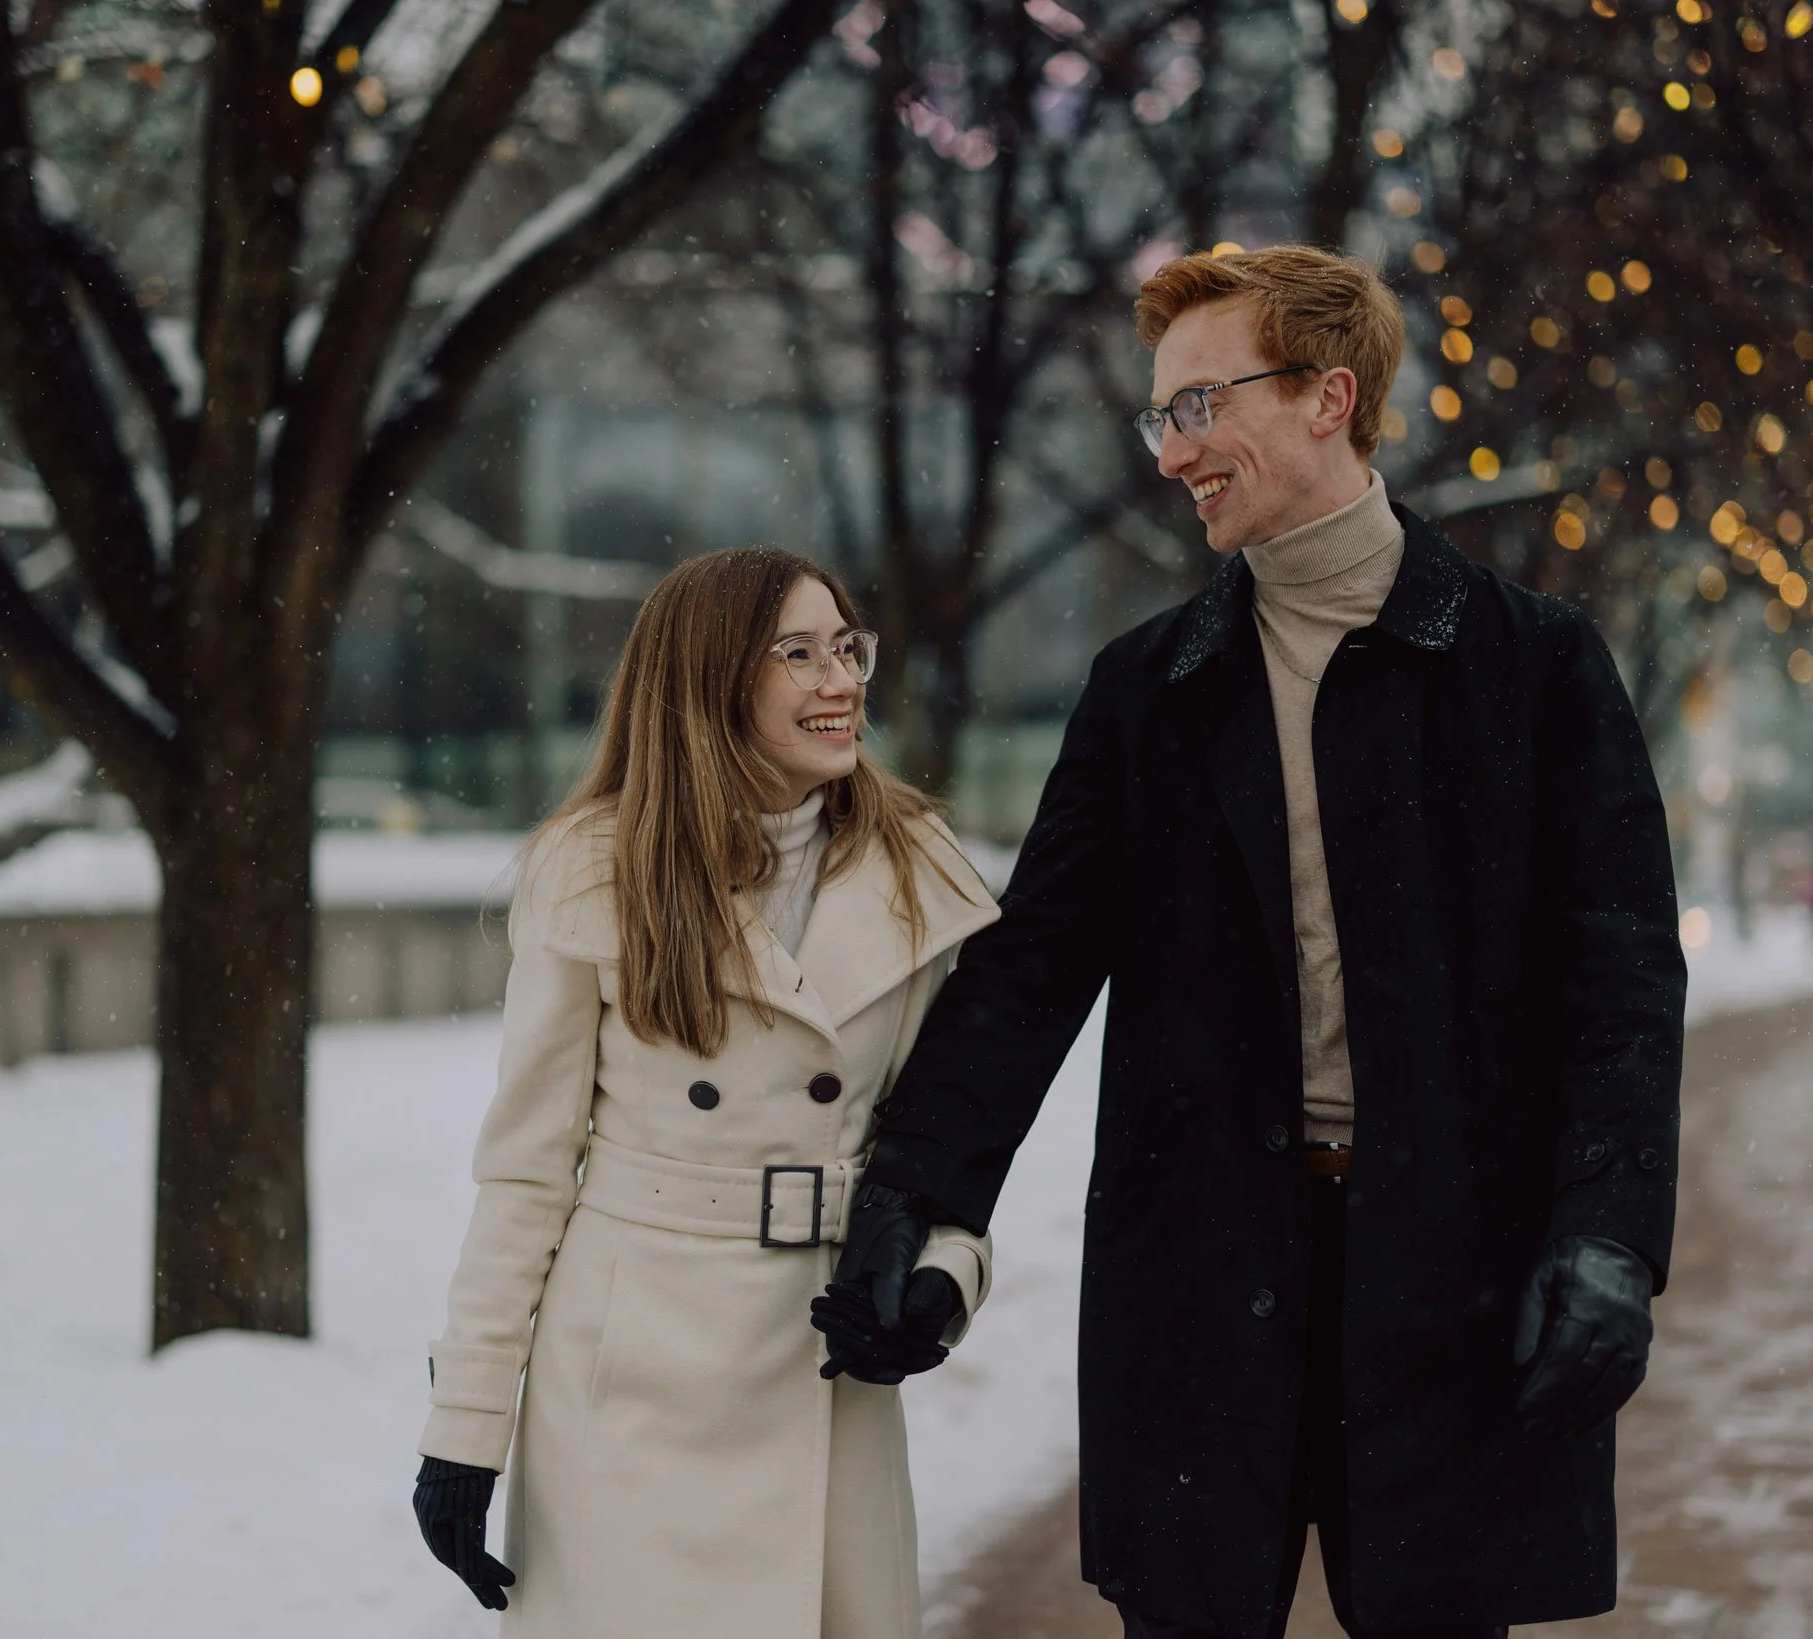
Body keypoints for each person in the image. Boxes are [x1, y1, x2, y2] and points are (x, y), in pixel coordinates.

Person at [815, 247, 1686, 1637]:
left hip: (1455, 1271)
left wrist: (1605, 1235)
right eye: (1161, 417)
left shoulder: (1532, 665)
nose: (1174, 454)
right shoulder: (1146, 691)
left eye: (1199, 406)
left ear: (1328, 397)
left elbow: (1622, 976)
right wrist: (920, 1188)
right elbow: (1032, 962)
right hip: (1199, 1278)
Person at [409, 547, 1001, 1639]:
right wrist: (464, 1427)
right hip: (633, 1374)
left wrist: (944, 1275)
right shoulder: (593, 870)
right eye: (798, 653)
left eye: (846, 647)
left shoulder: (918, 870)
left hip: (824, 1364)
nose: (841, 679)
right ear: (710, 678)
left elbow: (953, 1143)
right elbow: (525, 1172)